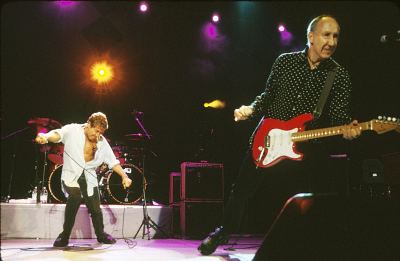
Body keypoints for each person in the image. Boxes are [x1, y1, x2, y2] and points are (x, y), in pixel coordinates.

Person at [198, 14, 362, 255]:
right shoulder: (285, 62)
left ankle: (302, 246)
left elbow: (339, 116)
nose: (332, 41)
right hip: (267, 138)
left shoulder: (339, 76)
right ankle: (223, 231)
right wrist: (251, 109)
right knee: (241, 191)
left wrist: (348, 128)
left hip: (303, 146)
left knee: (304, 199)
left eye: (336, 36)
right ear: (311, 37)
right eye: (326, 35)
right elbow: (267, 97)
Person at [35, 112, 132, 247]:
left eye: (101, 133)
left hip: (89, 177)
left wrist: (124, 176)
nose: (98, 135)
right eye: (96, 131)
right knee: (75, 196)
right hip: (71, 174)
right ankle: (64, 236)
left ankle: (101, 234)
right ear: (88, 125)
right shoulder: (73, 130)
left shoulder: (102, 142)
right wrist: (45, 136)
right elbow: (58, 134)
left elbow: (113, 161)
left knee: (95, 208)